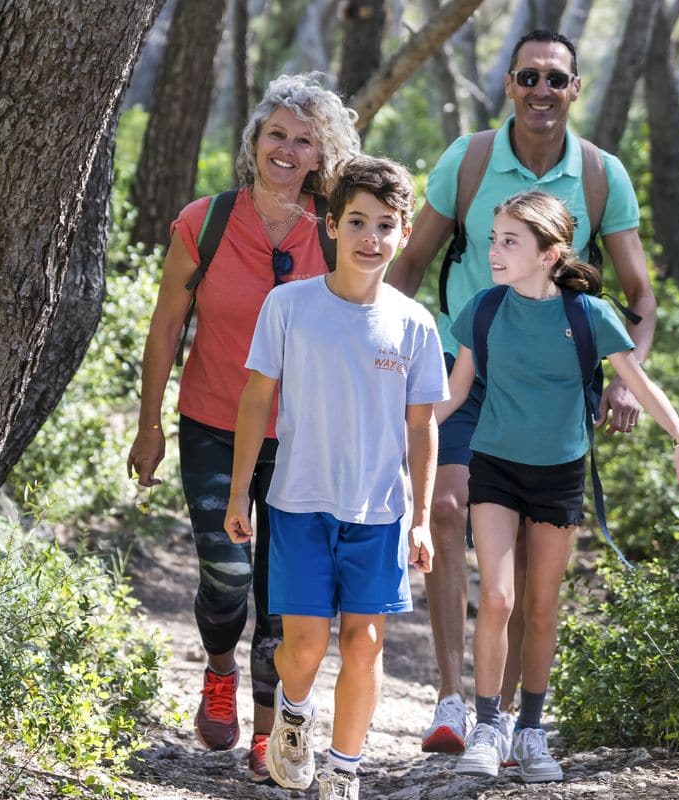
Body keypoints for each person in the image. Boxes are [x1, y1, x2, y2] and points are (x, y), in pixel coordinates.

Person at [382, 29, 662, 753]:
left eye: (555, 79)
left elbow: (639, 293)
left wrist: (629, 380)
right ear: (510, 85)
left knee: (535, 574)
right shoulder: (470, 160)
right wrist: (375, 350)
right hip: (462, 361)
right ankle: (449, 699)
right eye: (529, 77)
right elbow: (411, 262)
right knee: (444, 507)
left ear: (575, 91)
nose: (542, 90)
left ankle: (503, 715)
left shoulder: (601, 175)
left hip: (547, 384)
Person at [126, 72, 362, 783]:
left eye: (304, 141)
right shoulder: (207, 220)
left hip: (302, 439)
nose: (287, 151)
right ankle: (219, 669)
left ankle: (267, 737)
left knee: (284, 593)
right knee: (226, 576)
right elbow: (167, 325)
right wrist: (148, 426)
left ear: (324, 155)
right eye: (276, 136)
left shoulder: (336, 229)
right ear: (253, 141)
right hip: (212, 424)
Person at [439, 191, 679, 782]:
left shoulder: (589, 315)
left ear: (550, 253)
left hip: (559, 475)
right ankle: (487, 727)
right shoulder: (481, 310)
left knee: (540, 607)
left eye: (510, 241)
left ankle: (530, 732)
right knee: (500, 598)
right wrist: (402, 437)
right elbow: (453, 395)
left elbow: (640, 380)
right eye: (493, 239)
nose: (495, 250)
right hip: (495, 466)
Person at [224, 156, 446, 800]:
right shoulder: (289, 305)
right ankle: (293, 715)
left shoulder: (414, 324)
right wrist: (241, 490)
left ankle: (344, 769)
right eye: (356, 222)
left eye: (385, 225)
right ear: (330, 225)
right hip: (296, 503)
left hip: (378, 514)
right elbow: (255, 400)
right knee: (302, 645)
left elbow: (422, 427)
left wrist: (424, 517)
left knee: (364, 641)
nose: (369, 238)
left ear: (404, 234)